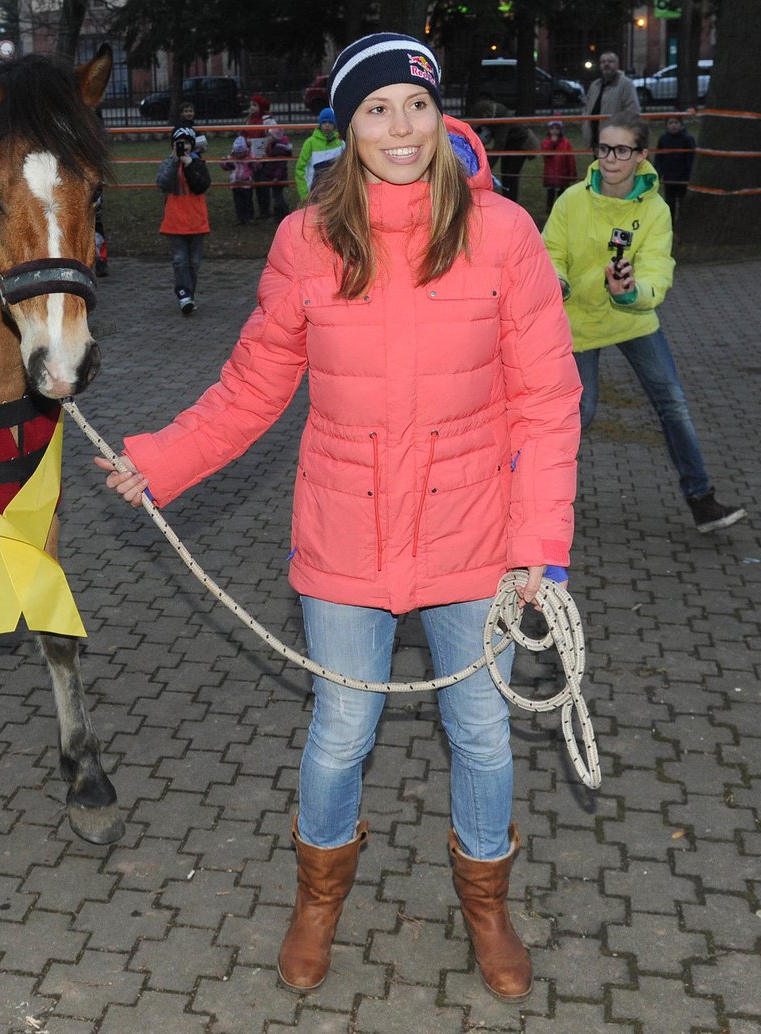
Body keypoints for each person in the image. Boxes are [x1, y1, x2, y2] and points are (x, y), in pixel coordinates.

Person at [97, 32, 581, 1001]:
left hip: (474, 535)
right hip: (345, 533)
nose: (400, 128)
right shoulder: (306, 241)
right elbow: (252, 386)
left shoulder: (503, 235)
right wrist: (162, 459)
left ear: (442, 117)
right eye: (376, 109)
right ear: (348, 127)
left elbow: (547, 401)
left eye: (415, 106)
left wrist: (539, 547)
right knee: (340, 734)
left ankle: (487, 900)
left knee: (482, 733)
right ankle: (319, 894)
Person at [543, 111, 745, 534]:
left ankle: (702, 500)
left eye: (621, 150)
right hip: (578, 322)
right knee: (582, 411)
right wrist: (558, 282)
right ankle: (536, 499)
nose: (610, 158)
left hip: (633, 319)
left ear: (641, 155)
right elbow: (551, 252)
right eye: (603, 148)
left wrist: (632, 291)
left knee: (673, 405)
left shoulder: (654, 210)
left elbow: (657, 270)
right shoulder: (572, 200)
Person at [156, 125, 210, 316]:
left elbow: (201, 186)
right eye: (179, 144)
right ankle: (183, 294)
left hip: (196, 222)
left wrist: (188, 165)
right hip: (174, 222)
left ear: (192, 145)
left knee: (194, 262)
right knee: (180, 261)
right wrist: (174, 161)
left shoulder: (197, 164)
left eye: (186, 144)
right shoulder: (168, 163)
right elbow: (163, 183)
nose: (183, 147)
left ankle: (189, 294)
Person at [472, 97, 537, 204]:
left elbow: (499, 144)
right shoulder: (495, 116)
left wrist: (487, 167)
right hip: (510, 144)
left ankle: (511, 202)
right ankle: (508, 200)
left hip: (520, 145)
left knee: (511, 175)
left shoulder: (501, 120)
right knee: (506, 175)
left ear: (485, 113)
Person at [582, 52, 640, 148]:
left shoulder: (625, 84)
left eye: (610, 61)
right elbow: (587, 108)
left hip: (616, 141)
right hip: (596, 139)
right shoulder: (595, 86)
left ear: (617, 65)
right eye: (603, 62)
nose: (606, 64)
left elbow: (632, 111)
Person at [653, 115, 697, 220]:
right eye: (670, 123)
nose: (673, 126)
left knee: (683, 202)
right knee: (669, 203)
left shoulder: (687, 139)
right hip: (669, 178)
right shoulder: (663, 139)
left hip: (683, 177)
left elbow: (692, 157)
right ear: (666, 125)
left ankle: (684, 223)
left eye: (676, 123)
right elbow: (659, 157)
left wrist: (691, 174)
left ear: (681, 124)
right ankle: (670, 224)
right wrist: (658, 173)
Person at [256, 122, 293, 220]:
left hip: (277, 178)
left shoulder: (279, 150)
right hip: (275, 176)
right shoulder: (274, 147)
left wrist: (276, 177)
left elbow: (280, 165)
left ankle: (280, 214)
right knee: (278, 196)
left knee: (278, 197)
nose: (268, 138)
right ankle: (283, 212)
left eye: (269, 136)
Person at [540, 119, 577, 215]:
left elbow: (570, 159)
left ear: (561, 130)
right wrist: (552, 143)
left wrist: (572, 173)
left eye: (557, 128)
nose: (555, 131)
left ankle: (562, 211)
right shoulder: (546, 142)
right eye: (552, 128)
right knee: (550, 194)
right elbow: (546, 154)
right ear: (549, 130)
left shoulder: (566, 143)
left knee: (562, 195)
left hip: (562, 174)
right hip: (551, 175)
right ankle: (549, 211)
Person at [220, 134, 255, 223]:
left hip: (247, 184)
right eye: (237, 152)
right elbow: (225, 167)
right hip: (235, 184)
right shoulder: (231, 158)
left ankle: (250, 217)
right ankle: (241, 218)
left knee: (248, 201)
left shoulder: (249, 157)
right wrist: (223, 162)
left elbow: (256, 164)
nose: (239, 154)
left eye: (241, 152)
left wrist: (251, 155)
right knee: (238, 202)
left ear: (245, 151)